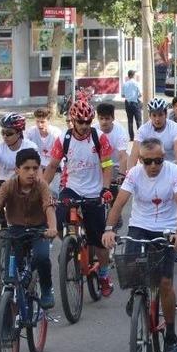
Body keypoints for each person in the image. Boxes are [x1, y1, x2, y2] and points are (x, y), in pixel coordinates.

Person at [102, 138, 177, 352]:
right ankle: (136, 294)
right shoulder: (134, 174)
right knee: (132, 267)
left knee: (165, 283)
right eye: (148, 161)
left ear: (163, 158)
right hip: (140, 226)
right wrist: (109, 228)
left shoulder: (174, 172)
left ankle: (170, 334)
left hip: (166, 230)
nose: (153, 166)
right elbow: (119, 203)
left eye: (158, 160)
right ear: (140, 160)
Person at [43, 100, 115, 295]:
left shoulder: (99, 138)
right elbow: (51, 166)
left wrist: (105, 189)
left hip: (94, 191)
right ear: (73, 120)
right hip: (71, 188)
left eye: (88, 122)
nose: (84, 126)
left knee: (98, 239)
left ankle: (104, 274)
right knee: (55, 222)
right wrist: (40, 189)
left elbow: (107, 166)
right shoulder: (63, 139)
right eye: (80, 122)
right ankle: (70, 246)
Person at [0, 148, 59, 308]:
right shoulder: (8, 186)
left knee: (41, 257)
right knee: (12, 274)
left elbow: (49, 207)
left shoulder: (42, 186)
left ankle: (47, 289)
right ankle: (10, 306)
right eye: (26, 168)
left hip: (39, 230)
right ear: (17, 169)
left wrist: (52, 227)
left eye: (35, 168)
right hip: (16, 230)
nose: (31, 172)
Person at [129, 98, 177, 169]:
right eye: (154, 115)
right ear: (150, 116)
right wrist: (129, 176)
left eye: (160, 115)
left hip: (170, 168)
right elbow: (133, 155)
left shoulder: (176, 128)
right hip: (150, 169)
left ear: (166, 114)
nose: (157, 119)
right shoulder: (143, 130)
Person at [25, 108, 63, 196]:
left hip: (54, 167)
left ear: (48, 120)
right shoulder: (31, 132)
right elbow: (24, 148)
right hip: (37, 168)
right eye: (37, 121)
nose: (39, 125)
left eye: (42, 122)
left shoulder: (56, 134)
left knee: (52, 193)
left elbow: (61, 155)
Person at [93, 102, 130, 185]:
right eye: (101, 118)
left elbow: (123, 156)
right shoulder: (93, 130)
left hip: (116, 167)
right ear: (97, 118)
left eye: (107, 118)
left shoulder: (120, 132)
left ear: (113, 118)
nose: (104, 122)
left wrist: (121, 174)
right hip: (98, 168)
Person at [122, 70, 142, 141]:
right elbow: (140, 94)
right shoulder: (136, 83)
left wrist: (128, 96)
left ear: (128, 75)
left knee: (130, 121)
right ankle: (140, 137)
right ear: (133, 75)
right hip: (135, 103)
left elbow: (122, 95)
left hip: (128, 103)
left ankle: (131, 137)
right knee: (138, 121)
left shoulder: (125, 84)